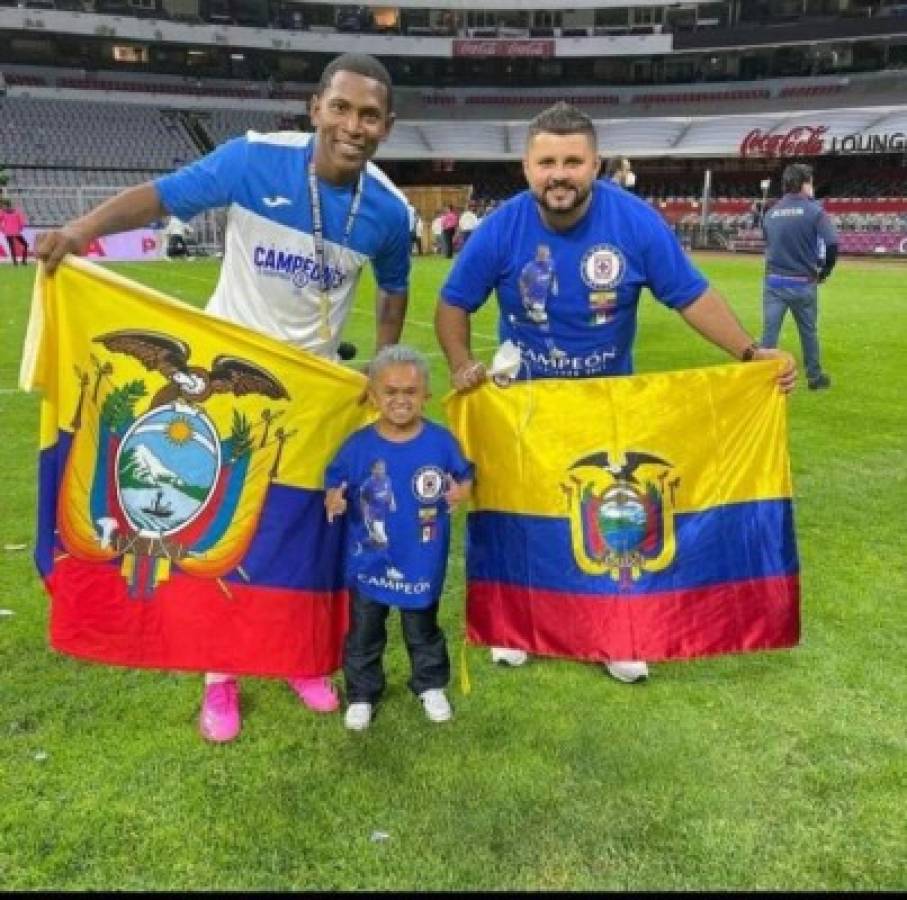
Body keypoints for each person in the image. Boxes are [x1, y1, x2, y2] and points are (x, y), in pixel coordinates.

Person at [36, 52, 412, 742]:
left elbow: (394, 291)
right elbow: (163, 194)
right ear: (315, 108)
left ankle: (298, 659)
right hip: (226, 384)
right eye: (341, 108)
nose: (352, 125)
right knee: (225, 522)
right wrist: (83, 231)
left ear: (386, 126)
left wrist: (380, 369)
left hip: (310, 396)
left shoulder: (388, 209)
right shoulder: (253, 160)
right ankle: (220, 676)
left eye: (368, 115)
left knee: (304, 535)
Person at [434, 102, 796, 684]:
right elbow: (454, 302)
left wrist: (752, 355)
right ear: (527, 168)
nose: (560, 173)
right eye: (547, 161)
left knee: (611, 514)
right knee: (517, 516)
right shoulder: (502, 228)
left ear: (596, 165)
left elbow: (690, 295)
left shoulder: (634, 222)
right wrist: (460, 363)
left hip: (607, 408)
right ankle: (514, 625)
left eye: (573, 161)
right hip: (525, 406)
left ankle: (615, 635)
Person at [323, 345, 473, 730]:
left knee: (422, 626)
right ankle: (361, 693)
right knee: (365, 630)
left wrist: (461, 491)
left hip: (420, 557)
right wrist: (334, 498)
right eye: (391, 392)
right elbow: (334, 480)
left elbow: (464, 475)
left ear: (425, 395)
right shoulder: (358, 445)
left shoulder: (441, 442)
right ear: (374, 396)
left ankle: (430, 684)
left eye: (410, 391)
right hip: (369, 558)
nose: (401, 400)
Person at [760, 163, 838, 391]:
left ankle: (762, 378)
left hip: (774, 282)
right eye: (811, 182)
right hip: (803, 283)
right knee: (808, 331)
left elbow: (769, 243)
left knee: (769, 333)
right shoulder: (815, 211)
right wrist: (825, 271)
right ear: (805, 183)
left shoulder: (771, 212)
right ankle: (814, 377)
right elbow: (832, 243)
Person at [1, 199, 29, 265]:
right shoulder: (15, 212)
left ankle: (20, 261)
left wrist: (3, 229)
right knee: (19, 246)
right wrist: (20, 228)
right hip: (13, 232)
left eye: (3, 206)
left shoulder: (4, 212)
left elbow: (21, 222)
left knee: (20, 246)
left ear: (7, 205)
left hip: (11, 232)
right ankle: (19, 261)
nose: (2, 207)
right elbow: (22, 222)